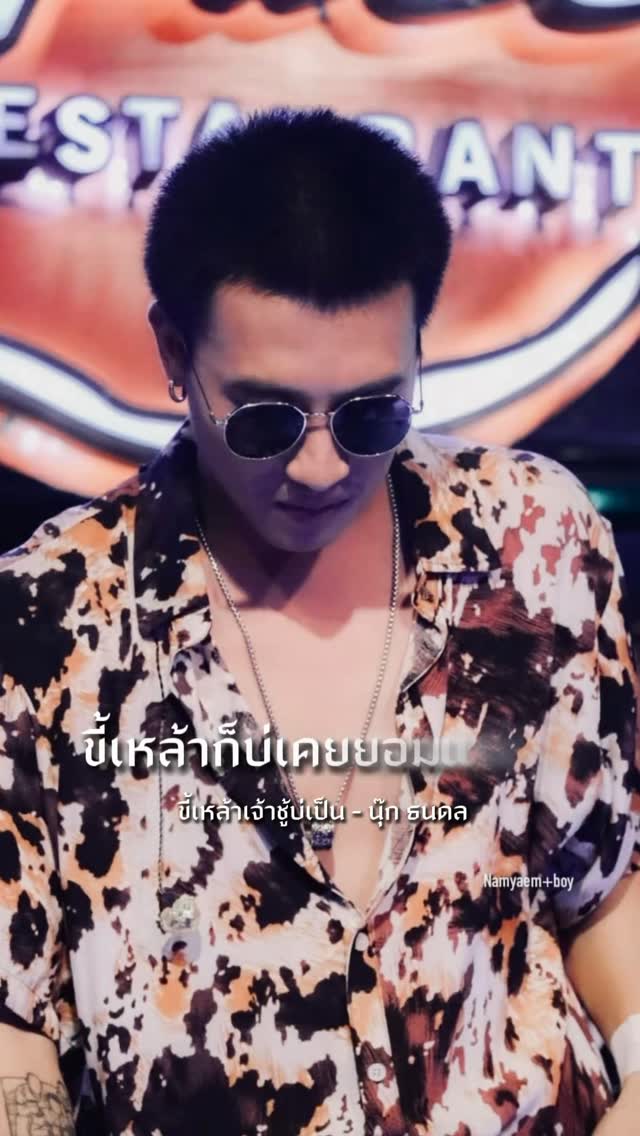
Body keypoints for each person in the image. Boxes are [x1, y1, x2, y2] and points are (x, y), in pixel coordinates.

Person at [0, 107, 639, 1136]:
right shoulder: (49, 614)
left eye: (371, 412)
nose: (319, 465)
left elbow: (598, 884)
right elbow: (13, 1013)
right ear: (173, 352)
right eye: (264, 417)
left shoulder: (532, 540)